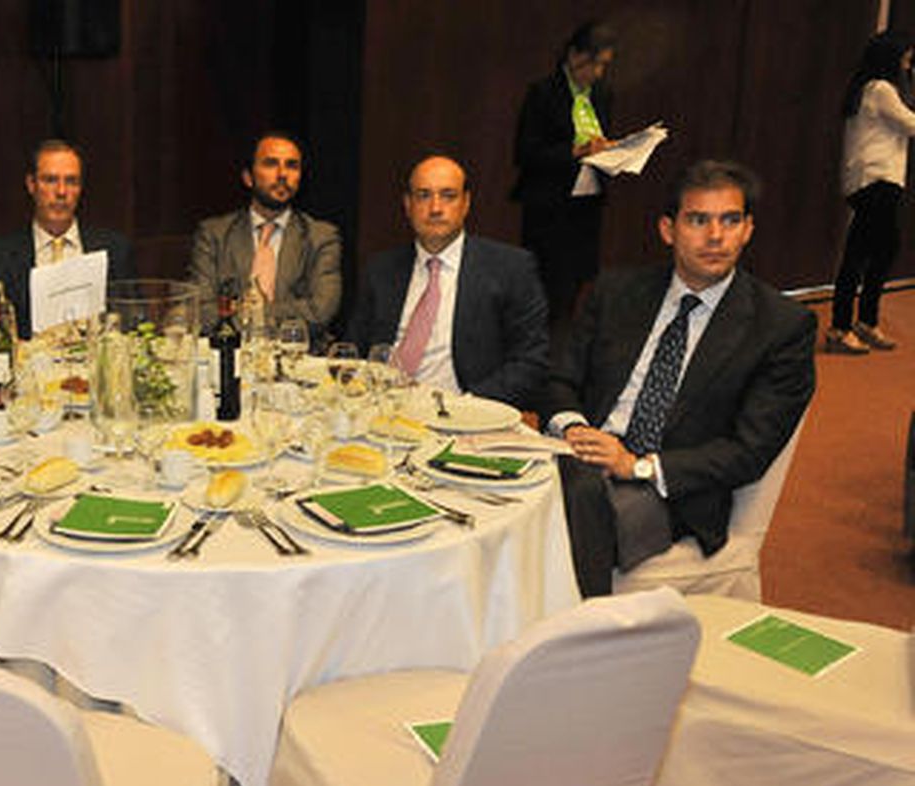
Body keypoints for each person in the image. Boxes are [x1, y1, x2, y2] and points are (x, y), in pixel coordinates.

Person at [544, 160, 815, 597]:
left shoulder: (781, 327)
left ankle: (583, 622)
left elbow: (749, 451)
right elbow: (559, 377)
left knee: (573, 500)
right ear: (668, 230)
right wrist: (575, 429)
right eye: (698, 220)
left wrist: (636, 465)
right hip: (584, 455)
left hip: (671, 493)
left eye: (730, 220)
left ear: (748, 230)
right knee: (512, 494)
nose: (716, 236)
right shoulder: (616, 292)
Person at [345, 155, 548, 408]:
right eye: (423, 195)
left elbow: (530, 362)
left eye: (448, 196)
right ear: (407, 205)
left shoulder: (510, 268)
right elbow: (353, 352)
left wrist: (466, 406)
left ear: (466, 203)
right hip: (383, 409)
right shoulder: (380, 269)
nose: (435, 208)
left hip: (464, 410)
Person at [0, 139, 135, 338]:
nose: (61, 192)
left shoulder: (115, 250)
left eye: (71, 181)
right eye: (50, 180)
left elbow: (132, 325)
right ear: (31, 185)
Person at [513, 20, 618, 331]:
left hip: (587, 204)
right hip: (549, 206)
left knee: (577, 285)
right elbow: (525, 153)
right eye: (593, 63)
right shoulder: (543, 92)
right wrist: (575, 152)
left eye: (604, 65)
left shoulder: (603, 94)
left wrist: (614, 153)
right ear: (573, 55)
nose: (597, 73)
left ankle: (562, 348)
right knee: (547, 288)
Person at [189, 132, 342, 333]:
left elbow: (320, 311)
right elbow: (202, 311)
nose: (282, 174)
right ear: (248, 178)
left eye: (292, 166)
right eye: (271, 164)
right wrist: (287, 310)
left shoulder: (321, 237)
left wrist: (239, 310)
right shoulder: (213, 234)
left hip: (296, 349)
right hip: (229, 348)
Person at [829, 29, 915, 353]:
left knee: (884, 249)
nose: (909, 62)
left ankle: (865, 321)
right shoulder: (880, 89)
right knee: (860, 254)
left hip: (879, 180)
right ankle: (840, 327)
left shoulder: (876, 88)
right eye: (906, 55)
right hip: (875, 180)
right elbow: (911, 123)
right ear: (892, 56)